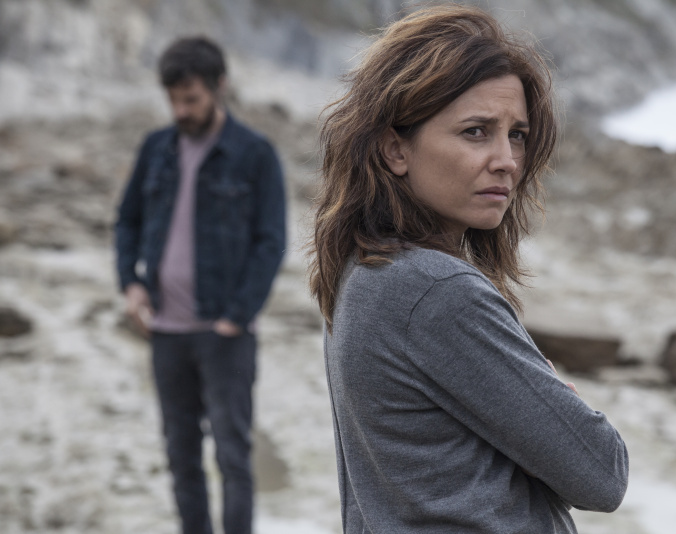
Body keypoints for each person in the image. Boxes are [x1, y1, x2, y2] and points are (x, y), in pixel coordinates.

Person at [309, 5, 628, 533]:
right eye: (476, 132)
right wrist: (553, 395)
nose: (506, 160)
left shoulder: (362, 271)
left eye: (517, 134)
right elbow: (602, 473)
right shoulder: (434, 291)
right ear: (395, 149)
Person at [114, 36, 286, 534]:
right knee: (181, 455)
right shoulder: (156, 148)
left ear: (219, 87)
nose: (181, 111)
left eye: (190, 99)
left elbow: (271, 241)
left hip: (224, 333)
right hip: (165, 331)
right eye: (173, 100)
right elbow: (126, 221)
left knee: (233, 456)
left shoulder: (255, 153)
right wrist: (130, 285)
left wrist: (237, 315)